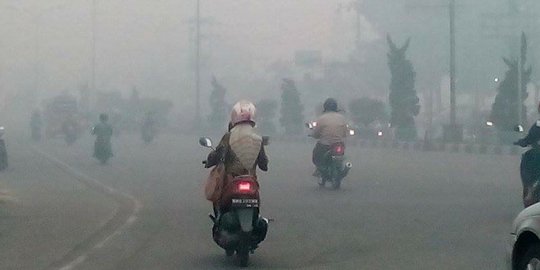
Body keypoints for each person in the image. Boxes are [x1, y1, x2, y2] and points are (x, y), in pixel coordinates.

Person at [204, 100, 268, 212]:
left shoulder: (229, 136)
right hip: (251, 180)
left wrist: (210, 161)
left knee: (218, 196)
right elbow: (264, 165)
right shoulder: (258, 138)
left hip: (231, 179)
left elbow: (218, 154)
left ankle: (219, 219)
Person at [311, 98, 348, 177]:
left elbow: (316, 133)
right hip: (339, 144)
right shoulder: (342, 118)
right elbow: (345, 133)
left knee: (316, 154)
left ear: (325, 107)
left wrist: (314, 136)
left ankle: (319, 169)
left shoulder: (322, 118)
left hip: (325, 145)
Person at [515, 102, 540, 207]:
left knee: (527, 163)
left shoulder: (537, 125)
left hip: (536, 155)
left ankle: (529, 189)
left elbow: (528, 139)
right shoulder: (537, 125)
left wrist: (522, 142)